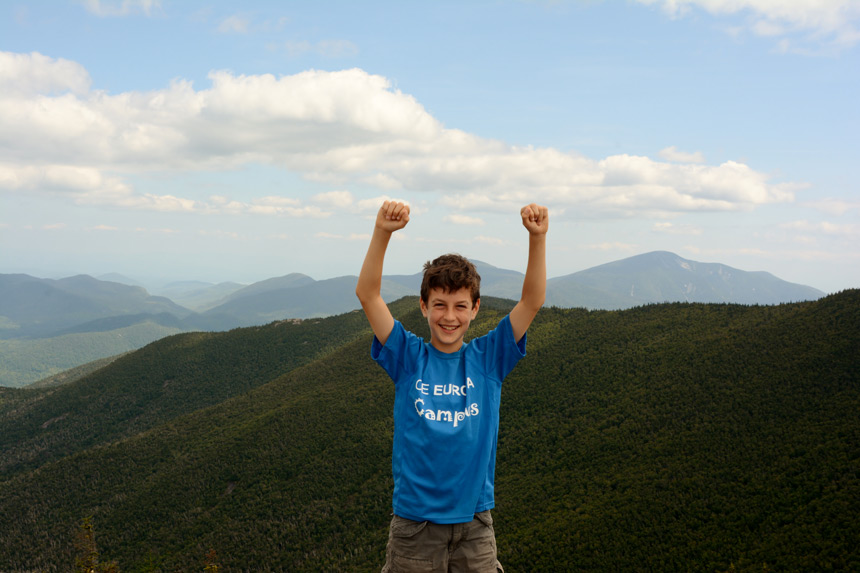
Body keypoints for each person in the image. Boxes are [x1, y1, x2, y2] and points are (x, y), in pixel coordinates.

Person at [355, 200, 548, 573]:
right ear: (424, 307)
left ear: (476, 309)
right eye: (439, 305)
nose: (449, 316)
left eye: (460, 306)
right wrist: (382, 232)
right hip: (415, 526)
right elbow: (368, 295)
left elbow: (532, 301)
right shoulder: (409, 358)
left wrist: (537, 239)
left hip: (475, 524)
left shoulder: (488, 358)